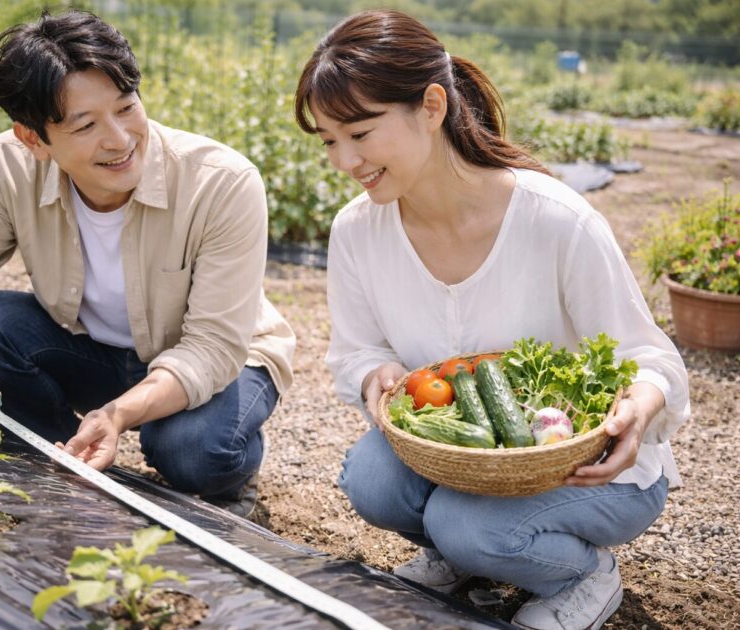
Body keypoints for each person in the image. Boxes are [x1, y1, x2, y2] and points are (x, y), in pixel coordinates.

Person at [294, 10, 689, 630]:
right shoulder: (357, 231)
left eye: (360, 133)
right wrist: (376, 376)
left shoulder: (555, 220)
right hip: (470, 459)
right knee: (372, 480)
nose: (344, 160)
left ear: (431, 106)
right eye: (328, 141)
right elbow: (354, 352)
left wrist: (641, 405)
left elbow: (652, 359)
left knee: (463, 523)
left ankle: (584, 575)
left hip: (584, 466)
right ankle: (464, 556)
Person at [0, 10, 295, 520]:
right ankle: (61, 453)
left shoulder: (221, 182)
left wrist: (118, 414)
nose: (120, 139)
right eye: (86, 125)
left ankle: (229, 474)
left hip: (221, 357)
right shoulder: (8, 165)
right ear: (34, 139)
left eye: (127, 107)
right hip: (97, 350)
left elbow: (214, 345)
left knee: (193, 450)